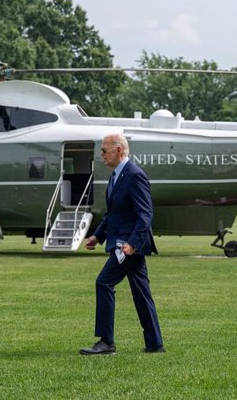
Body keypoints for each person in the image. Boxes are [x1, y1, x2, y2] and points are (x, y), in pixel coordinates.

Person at [80, 133, 164, 355]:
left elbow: (145, 214)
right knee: (141, 294)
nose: (101, 155)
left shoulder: (134, 175)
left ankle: (106, 342)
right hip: (123, 244)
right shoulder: (116, 176)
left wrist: (133, 244)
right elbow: (113, 215)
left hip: (127, 247)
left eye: (104, 150)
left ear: (119, 150)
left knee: (103, 283)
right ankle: (155, 344)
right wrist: (97, 236)